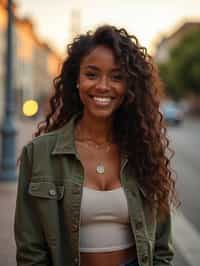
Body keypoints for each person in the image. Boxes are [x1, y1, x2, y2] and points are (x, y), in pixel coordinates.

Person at [14, 25, 178, 266]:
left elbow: (162, 246)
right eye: (92, 74)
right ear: (76, 80)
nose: (103, 86)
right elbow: (30, 251)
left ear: (129, 86)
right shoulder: (38, 153)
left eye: (117, 77)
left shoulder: (144, 151)